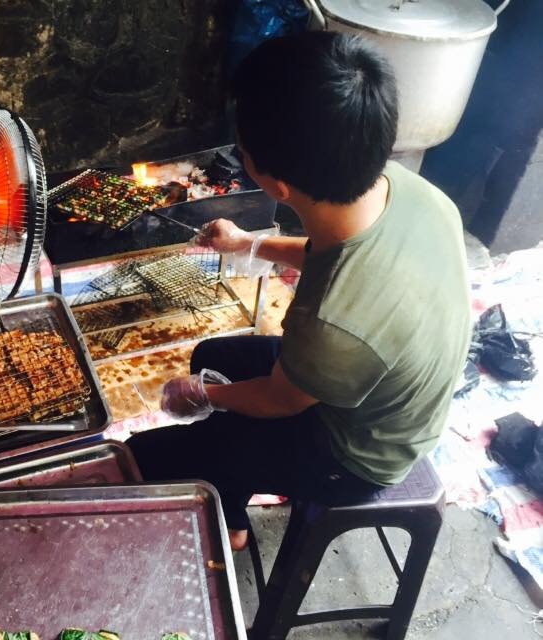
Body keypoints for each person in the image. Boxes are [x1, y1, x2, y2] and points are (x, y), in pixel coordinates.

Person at [126, 30, 471, 551]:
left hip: (355, 453)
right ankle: (232, 512)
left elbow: (278, 400)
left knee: (149, 454)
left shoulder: (334, 323)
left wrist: (204, 394)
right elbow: (330, 255)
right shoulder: (408, 191)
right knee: (213, 356)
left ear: (278, 185)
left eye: (243, 151)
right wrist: (248, 243)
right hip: (373, 384)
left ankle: (223, 516)